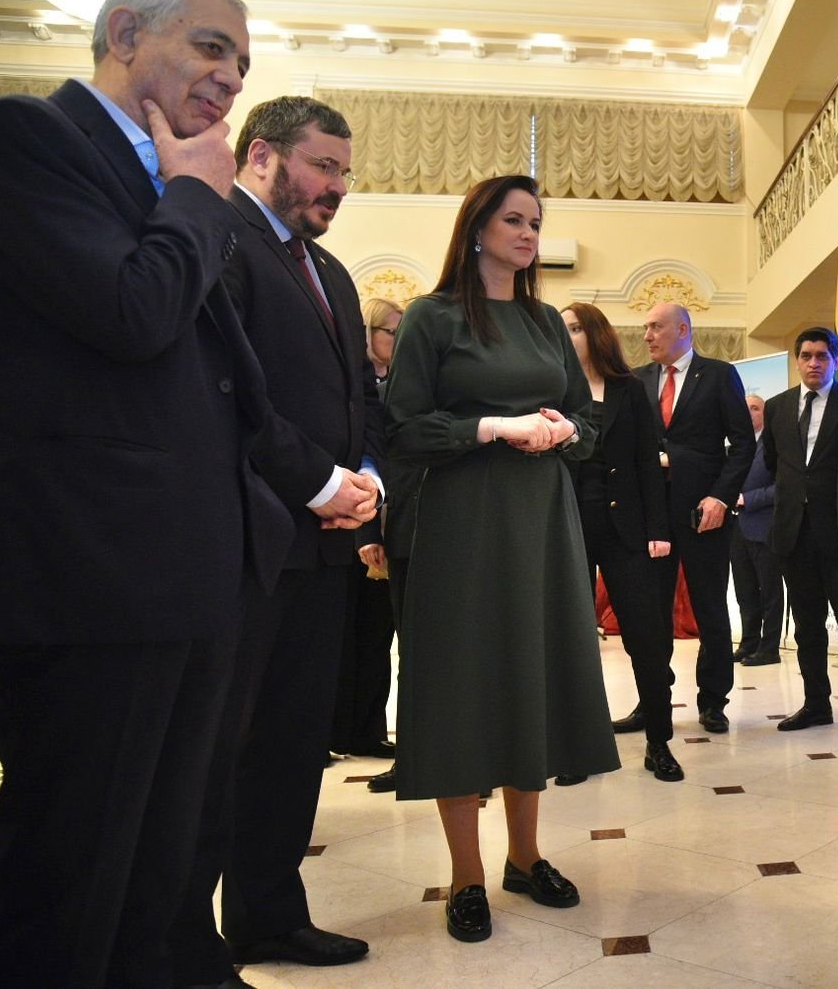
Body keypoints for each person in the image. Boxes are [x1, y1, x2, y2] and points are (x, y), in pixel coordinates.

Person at [0, 0, 302, 988]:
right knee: (72, 882)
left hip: (195, 573)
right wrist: (201, 195)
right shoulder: (27, 141)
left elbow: (221, 377)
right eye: (210, 49)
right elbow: (133, 311)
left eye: (240, 64)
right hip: (95, 581)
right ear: (125, 32)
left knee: (160, 882)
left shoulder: (175, 183)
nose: (228, 79)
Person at [170, 95, 385, 980]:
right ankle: (185, 941)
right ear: (262, 155)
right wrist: (322, 483)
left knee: (295, 745)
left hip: (321, 549)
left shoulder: (328, 269)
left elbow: (351, 399)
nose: (337, 185)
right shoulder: (218, 238)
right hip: (245, 541)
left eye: (344, 170)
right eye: (323, 166)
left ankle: (268, 914)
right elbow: (230, 395)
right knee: (218, 750)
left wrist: (364, 477)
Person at [385, 174, 618, 944]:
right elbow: (405, 429)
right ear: (477, 228)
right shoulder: (432, 317)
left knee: (534, 677)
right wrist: (490, 428)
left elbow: (587, 419)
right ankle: (466, 876)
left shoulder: (548, 321)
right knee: (463, 686)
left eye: (536, 222)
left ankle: (524, 856)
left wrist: (561, 431)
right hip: (463, 522)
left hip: (544, 520)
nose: (528, 234)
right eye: (514, 220)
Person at [561, 300, 682, 783]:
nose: (565, 336)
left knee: (646, 639)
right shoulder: (554, 390)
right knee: (571, 641)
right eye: (561, 329)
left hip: (626, 530)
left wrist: (658, 531)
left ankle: (659, 742)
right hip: (567, 527)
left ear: (595, 333)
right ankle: (574, 748)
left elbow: (646, 465)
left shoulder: (629, 389)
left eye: (573, 328)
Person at [623, 302, 754, 735]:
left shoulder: (717, 374)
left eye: (655, 327)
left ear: (682, 329)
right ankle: (652, 700)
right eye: (645, 328)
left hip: (704, 513)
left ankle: (713, 700)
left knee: (710, 609)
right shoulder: (637, 381)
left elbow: (741, 444)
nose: (647, 336)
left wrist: (721, 496)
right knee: (650, 613)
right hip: (650, 518)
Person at [764, 328, 838, 734]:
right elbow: (776, 464)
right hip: (794, 533)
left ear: (834, 360)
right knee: (806, 624)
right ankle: (816, 704)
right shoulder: (777, 407)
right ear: (797, 360)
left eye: (822, 356)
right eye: (807, 355)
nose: (814, 363)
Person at [336, 297, 404, 764]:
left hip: (384, 518)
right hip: (349, 517)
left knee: (377, 635)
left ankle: (367, 727)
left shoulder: (401, 382)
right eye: (390, 333)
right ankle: (335, 727)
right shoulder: (356, 383)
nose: (396, 342)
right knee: (347, 636)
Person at [732, 393, 786, 666]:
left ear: (765, 413)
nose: (748, 413)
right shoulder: (737, 446)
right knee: (745, 591)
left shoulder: (773, 444)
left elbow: (783, 486)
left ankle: (770, 647)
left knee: (770, 591)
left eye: (754, 408)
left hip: (765, 526)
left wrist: (747, 499)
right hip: (737, 529)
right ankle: (749, 643)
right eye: (744, 409)